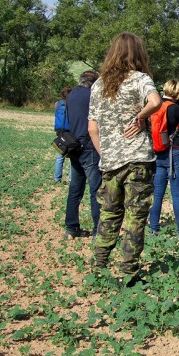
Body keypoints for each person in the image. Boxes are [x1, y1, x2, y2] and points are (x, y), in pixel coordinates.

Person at [88, 33, 162, 286]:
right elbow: (155, 102)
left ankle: (98, 264)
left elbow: (92, 129)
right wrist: (140, 117)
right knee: (135, 215)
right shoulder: (141, 79)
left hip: (109, 162)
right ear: (138, 53)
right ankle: (129, 270)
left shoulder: (97, 85)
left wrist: (106, 152)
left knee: (109, 213)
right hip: (138, 159)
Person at [149, 80, 179, 238]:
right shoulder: (176, 109)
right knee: (177, 194)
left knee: (157, 194)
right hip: (175, 151)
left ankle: (153, 228)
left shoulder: (154, 105)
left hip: (157, 152)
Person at [64, 73, 103, 239]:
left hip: (74, 147)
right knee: (96, 190)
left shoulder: (71, 95)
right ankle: (98, 232)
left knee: (75, 190)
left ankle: (71, 228)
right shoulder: (93, 95)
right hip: (90, 147)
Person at [54, 86, 72, 184]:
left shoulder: (57, 104)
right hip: (70, 131)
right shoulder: (72, 104)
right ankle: (71, 179)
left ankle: (57, 179)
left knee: (60, 155)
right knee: (72, 156)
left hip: (59, 131)